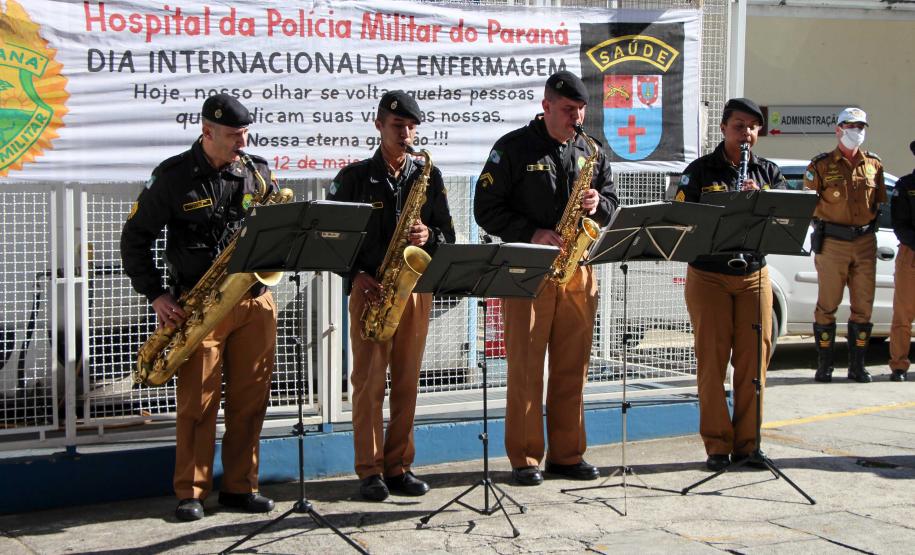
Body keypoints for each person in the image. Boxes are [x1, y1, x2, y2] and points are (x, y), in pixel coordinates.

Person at [120, 94, 278, 521]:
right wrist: (156, 295)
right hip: (198, 304)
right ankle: (192, 490)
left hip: (254, 299)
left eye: (245, 134)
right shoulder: (172, 177)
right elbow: (134, 239)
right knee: (198, 403)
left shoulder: (256, 173)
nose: (241, 143)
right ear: (207, 131)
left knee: (250, 400)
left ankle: (241, 486)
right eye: (232, 135)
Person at [474, 71, 618, 486]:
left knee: (573, 367)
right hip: (530, 271)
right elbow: (485, 207)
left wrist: (599, 203)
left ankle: (567, 454)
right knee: (526, 368)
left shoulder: (591, 149)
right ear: (547, 106)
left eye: (580, 110)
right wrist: (531, 232)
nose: (576, 118)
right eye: (568, 110)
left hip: (578, 270)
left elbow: (612, 200)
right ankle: (525, 457)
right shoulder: (513, 148)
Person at [327, 91, 456, 502]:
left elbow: (447, 235)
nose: (405, 134)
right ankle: (369, 470)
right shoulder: (353, 178)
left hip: (414, 292)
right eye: (398, 126)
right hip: (371, 291)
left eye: (411, 128)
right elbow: (331, 238)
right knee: (368, 384)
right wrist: (355, 274)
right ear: (378, 125)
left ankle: (398, 465)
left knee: (406, 383)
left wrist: (429, 236)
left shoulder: (427, 176)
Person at [673, 98, 787, 471]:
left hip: (754, 273)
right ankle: (718, 446)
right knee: (712, 361)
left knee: (755, 361)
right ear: (723, 129)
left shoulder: (768, 171)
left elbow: (790, 218)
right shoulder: (700, 171)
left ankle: (749, 444)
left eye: (754, 127)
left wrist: (763, 199)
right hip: (710, 275)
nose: (747, 134)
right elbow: (679, 219)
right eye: (740, 126)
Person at [804, 107, 887, 384]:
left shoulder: (874, 164)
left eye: (861, 126)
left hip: (865, 241)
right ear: (838, 129)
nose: (857, 132)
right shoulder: (821, 165)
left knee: (863, 305)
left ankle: (857, 366)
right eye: (851, 126)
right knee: (827, 304)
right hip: (833, 242)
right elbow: (808, 204)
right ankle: (825, 366)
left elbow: (879, 203)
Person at [889, 140, 915, 382]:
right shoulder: (906, 186)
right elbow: (900, 225)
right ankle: (899, 365)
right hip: (911, 254)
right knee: (903, 313)